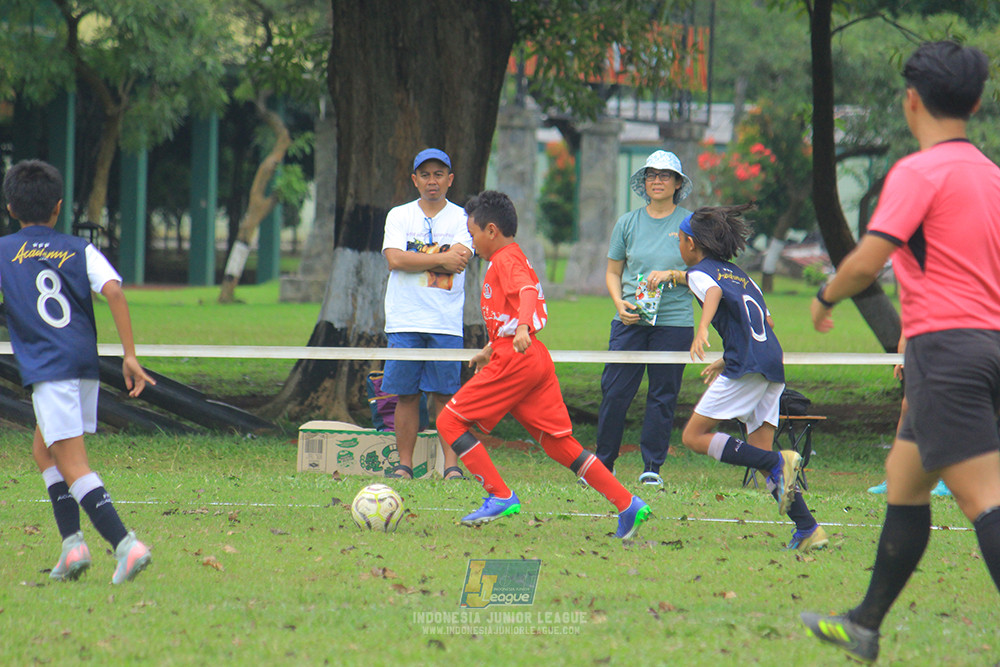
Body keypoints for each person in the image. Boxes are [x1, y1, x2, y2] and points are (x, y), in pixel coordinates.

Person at [802, 41, 1000, 663]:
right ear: (975, 103)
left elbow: (868, 260)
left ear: (911, 101)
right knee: (905, 481)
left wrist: (826, 296)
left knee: (984, 499)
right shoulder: (990, 174)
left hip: (948, 352)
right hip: (983, 347)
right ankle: (865, 624)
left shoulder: (918, 172)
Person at [435, 190, 651, 538]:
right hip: (530, 356)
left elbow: (526, 293)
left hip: (516, 359)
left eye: (473, 233)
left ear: (491, 230)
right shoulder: (510, 256)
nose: (471, 241)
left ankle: (499, 495)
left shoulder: (505, 260)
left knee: (449, 421)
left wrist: (521, 328)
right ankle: (628, 504)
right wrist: (490, 347)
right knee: (557, 444)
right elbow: (510, 311)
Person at [0, 159, 155, 583]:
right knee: (44, 451)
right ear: (58, 206)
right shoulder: (78, 248)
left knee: (72, 463)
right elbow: (113, 291)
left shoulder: (4, 250)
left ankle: (126, 545)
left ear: (10, 208)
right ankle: (73, 546)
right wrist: (129, 355)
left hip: (49, 368)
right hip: (82, 365)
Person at [675, 203, 828, 552]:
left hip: (748, 366)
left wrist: (702, 329)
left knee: (693, 436)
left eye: (679, 240)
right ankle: (808, 528)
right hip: (770, 361)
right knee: (759, 455)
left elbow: (712, 293)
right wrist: (727, 355)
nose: (679, 245)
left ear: (691, 244)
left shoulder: (699, 271)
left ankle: (778, 461)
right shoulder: (742, 275)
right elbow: (765, 322)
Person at [595, 150, 695, 486]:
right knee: (614, 392)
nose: (657, 181)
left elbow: (703, 276)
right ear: (644, 182)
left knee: (662, 396)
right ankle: (603, 464)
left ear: (677, 183)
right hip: (630, 321)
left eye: (665, 175)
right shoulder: (627, 222)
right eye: (651, 175)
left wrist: (672, 275)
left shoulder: (690, 224)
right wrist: (618, 303)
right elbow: (613, 272)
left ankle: (652, 467)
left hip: (674, 323)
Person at [381, 148, 473, 480]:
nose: (431, 181)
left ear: (450, 179)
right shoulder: (399, 215)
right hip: (404, 319)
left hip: (445, 322)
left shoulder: (463, 218)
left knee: (446, 395)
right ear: (414, 180)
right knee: (406, 394)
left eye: (438, 174)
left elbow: (459, 260)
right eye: (425, 175)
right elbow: (394, 259)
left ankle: (451, 467)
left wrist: (415, 258)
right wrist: (440, 258)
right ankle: (404, 465)